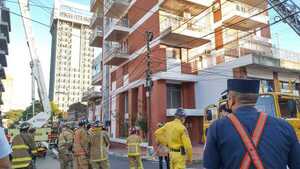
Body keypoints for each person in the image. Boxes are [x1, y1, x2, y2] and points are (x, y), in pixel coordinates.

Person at [203, 79, 300, 169]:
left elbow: (210, 166)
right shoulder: (285, 127)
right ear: (256, 99)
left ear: (231, 99)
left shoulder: (216, 128)